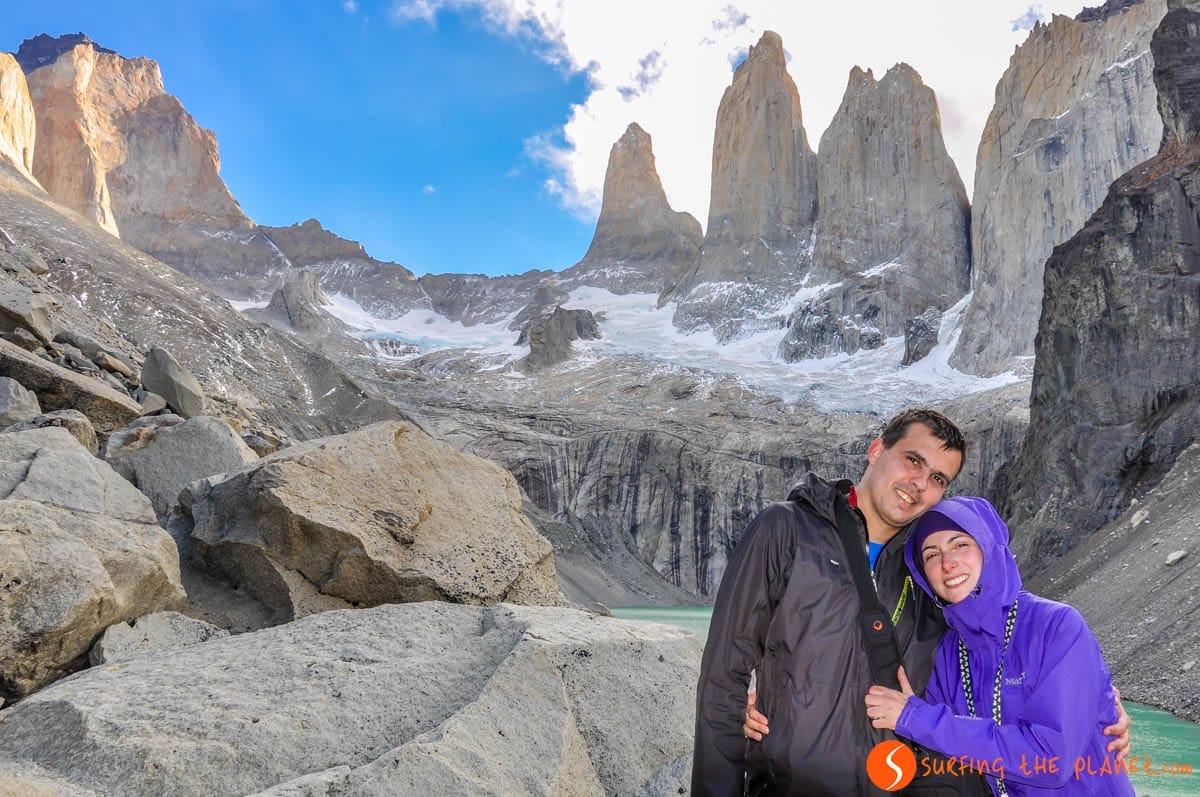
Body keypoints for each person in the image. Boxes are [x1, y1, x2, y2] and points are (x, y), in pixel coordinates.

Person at [693, 408, 1130, 797]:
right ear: (876, 450)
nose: (920, 483)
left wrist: (1098, 699)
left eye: (939, 478)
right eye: (913, 460)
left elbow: (993, 640)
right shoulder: (785, 530)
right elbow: (723, 674)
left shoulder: (925, 575)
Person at [864, 497, 1135, 796]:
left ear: (989, 547)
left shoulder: (1055, 626)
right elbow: (937, 749)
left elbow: (1051, 759)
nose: (947, 563)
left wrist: (916, 718)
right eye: (931, 555)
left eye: (960, 545)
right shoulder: (948, 652)